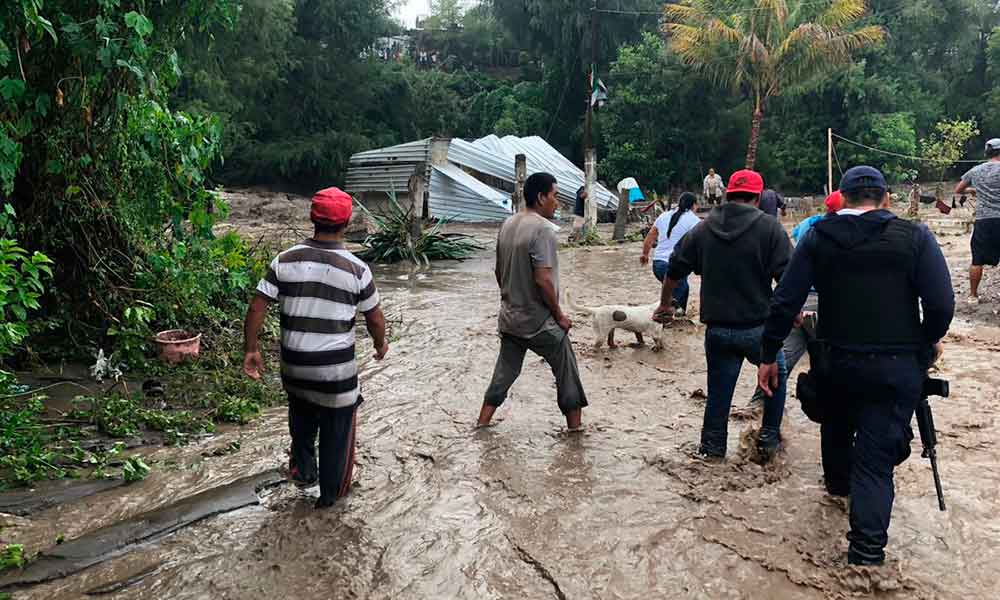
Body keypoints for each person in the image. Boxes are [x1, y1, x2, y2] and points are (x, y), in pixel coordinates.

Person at [757, 166, 954, 565]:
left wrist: (768, 354)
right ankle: (865, 558)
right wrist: (925, 343)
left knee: (835, 426)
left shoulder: (818, 237)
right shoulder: (914, 236)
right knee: (876, 462)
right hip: (896, 366)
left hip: (837, 362)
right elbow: (941, 304)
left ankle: (835, 494)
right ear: (885, 198)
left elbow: (785, 301)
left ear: (842, 199)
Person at [242, 187, 389, 509]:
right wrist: (380, 345)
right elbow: (375, 319)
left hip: (294, 366)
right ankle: (329, 501)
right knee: (338, 433)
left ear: (312, 218)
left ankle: (304, 472)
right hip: (335, 372)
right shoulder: (357, 269)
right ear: (347, 222)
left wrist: (251, 349)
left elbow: (256, 307)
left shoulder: (284, 260)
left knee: (302, 410)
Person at [654, 170, 792, 462]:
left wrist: (665, 304)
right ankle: (768, 442)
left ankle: (712, 451)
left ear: (727, 194)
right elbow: (788, 283)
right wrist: (790, 316)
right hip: (759, 330)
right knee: (776, 379)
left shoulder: (702, 229)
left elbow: (674, 271)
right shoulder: (770, 229)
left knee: (718, 394)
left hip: (717, 330)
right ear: (757, 197)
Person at [478, 172, 588, 431]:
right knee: (567, 370)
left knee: (503, 374)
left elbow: (498, 272)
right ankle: (576, 433)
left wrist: (513, 298)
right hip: (537, 322)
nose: (557, 203)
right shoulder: (543, 230)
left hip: (510, 318)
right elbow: (543, 280)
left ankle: (481, 425)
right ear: (540, 197)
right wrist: (560, 316)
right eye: (554, 196)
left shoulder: (508, 224)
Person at [748, 191, 843, 407]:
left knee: (785, 359)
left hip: (801, 301)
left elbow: (793, 253)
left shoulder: (809, 225)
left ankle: (757, 406)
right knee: (838, 360)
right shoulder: (853, 230)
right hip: (833, 305)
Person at [954, 138, 1000, 304]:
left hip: (984, 221)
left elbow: (958, 190)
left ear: (987, 152)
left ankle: (973, 295)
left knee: (977, 260)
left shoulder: (975, 170)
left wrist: (975, 189)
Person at [640, 192, 700, 316]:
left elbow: (650, 236)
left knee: (678, 289)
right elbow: (701, 243)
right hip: (677, 266)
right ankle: (664, 318)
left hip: (658, 265)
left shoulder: (663, 216)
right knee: (677, 293)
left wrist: (645, 254)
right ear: (694, 205)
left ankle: (677, 317)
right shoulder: (694, 220)